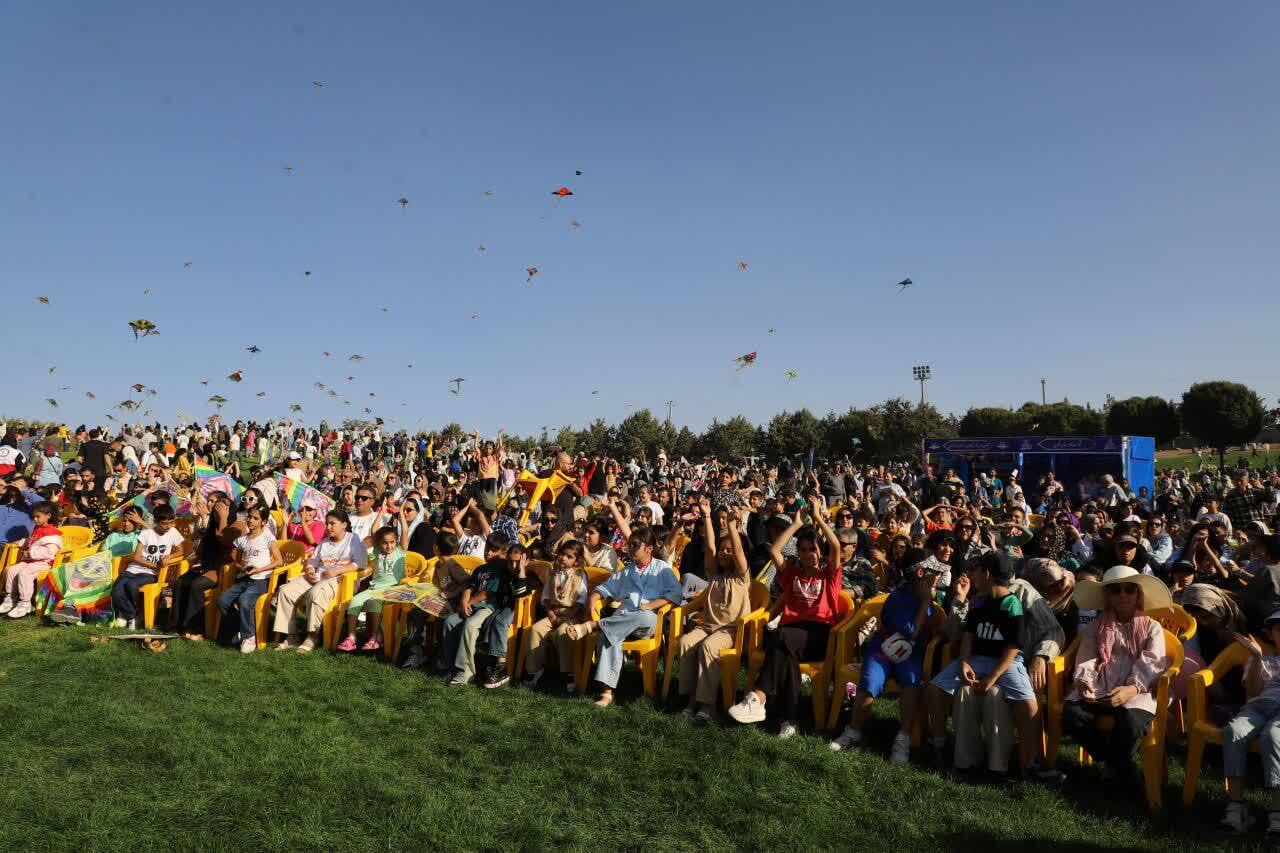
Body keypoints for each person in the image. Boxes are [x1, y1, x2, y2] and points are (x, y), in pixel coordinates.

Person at [926, 551, 1058, 779]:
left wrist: (995, 675)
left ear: (986, 574)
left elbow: (1014, 646)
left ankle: (1031, 760)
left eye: (975, 571)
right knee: (935, 689)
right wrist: (965, 662)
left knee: (1029, 704)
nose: (972, 575)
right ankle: (938, 745)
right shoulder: (979, 601)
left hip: (1006, 662)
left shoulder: (1013, 602)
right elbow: (966, 635)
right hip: (976, 660)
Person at [727, 499, 842, 736]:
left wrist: (818, 517)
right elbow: (775, 550)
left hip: (818, 636)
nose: (809, 554)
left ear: (820, 552)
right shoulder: (792, 574)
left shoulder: (828, 576)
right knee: (784, 654)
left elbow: (837, 546)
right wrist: (796, 523)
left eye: (813, 549)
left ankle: (757, 696)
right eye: (803, 549)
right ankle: (789, 722)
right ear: (798, 553)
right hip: (790, 637)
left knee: (779, 638)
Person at [830, 551, 945, 761]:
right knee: (870, 680)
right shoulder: (898, 598)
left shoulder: (927, 597)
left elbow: (934, 629)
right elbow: (911, 632)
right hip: (883, 648)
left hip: (909, 655)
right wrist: (924, 603)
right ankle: (854, 729)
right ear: (920, 573)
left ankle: (904, 737)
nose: (937, 575)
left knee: (911, 681)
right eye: (934, 572)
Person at [1062, 565, 1171, 786]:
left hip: (1139, 690)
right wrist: (1084, 681)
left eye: (1129, 589)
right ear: (1108, 595)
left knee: (1130, 721)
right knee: (1072, 714)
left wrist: (1131, 689)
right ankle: (1122, 766)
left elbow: (1152, 662)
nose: (1123, 595)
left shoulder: (1152, 627)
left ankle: (1114, 768)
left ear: (1138, 594)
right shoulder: (1097, 626)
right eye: (1116, 590)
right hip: (1102, 685)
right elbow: (1088, 656)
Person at [567, 526, 682, 708]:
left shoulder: (663, 569)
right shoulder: (627, 571)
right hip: (622, 619)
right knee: (609, 634)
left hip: (647, 620)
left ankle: (593, 625)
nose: (630, 548)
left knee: (641, 616)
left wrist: (651, 605)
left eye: (635, 545)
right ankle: (606, 693)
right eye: (630, 544)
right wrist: (595, 596)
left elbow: (676, 595)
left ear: (649, 549)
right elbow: (606, 587)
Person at [675, 500, 752, 722]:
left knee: (709, 647)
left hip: (729, 631)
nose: (724, 553)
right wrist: (707, 517)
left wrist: (732, 527)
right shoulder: (715, 575)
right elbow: (710, 546)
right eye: (723, 550)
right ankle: (692, 699)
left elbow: (738, 551)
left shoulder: (741, 577)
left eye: (729, 551)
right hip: (708, 626)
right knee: (685, 643)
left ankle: (708, 706)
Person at [439, 532, 528, 687]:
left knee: (470, 626)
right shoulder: (481, 568)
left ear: (503, 552)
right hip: (473, 605)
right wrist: (464, 600)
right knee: (449, 622)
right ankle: (450, 666)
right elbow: (470, 585)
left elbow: (488, 592)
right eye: (488, 548)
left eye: (494, 550)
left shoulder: (501, 567)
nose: (489, 552)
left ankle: (465, 672)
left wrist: (470, 602)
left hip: (489, 606)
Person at [1219, 609, 1280, 836]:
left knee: (1274, 735)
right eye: (1278, 628)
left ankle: (1277, 810)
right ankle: (1237, 806)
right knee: (1233, 731)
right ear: (1272, 633)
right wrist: (1255, 657)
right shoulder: (1266, 659)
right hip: (1259, 706)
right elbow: (1253, 694)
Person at [272, 509, 368, 652]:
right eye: (327, 524)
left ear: (344, 524)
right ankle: (292, 635)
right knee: (285, 590)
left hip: (339, 581)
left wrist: (338, 570)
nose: (328, 527)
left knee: (316, 592)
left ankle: (312, 636)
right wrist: (310, 570)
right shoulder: (324, 542)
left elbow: (360, 563)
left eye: (332, 524)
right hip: (317, 577)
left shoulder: (353, 540)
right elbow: (313, 561)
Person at [522, 539, 589, 693]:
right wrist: (550, 613)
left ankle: (568, 672)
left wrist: (569, 615)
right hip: (554, 613)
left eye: (569, 557)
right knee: (535, 630)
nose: (563, 558)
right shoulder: (553, 573)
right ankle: (534, 670)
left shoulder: (580, 574)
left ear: (576, 561)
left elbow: (582, 599)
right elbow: (545, 597)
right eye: (562, 554)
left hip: (572, 614)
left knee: (564, 633)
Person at [216, 505, 282, 653]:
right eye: (249, 517)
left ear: (264, 521)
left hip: (260, 580)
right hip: (244, 578)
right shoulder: (243, 540)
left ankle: (249, 636)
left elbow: (279, 561)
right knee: (222, 600)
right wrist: (240, 566)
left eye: (255, 518)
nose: (250, 520)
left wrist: (260, 569)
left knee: (245, 601)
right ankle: (240, 626)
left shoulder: (268, 537)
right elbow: (235, 557)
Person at [109, 504, 184, 629]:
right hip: (133, 569)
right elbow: (136, 557)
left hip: (151, 574)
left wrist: (168, 557)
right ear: (156, 521)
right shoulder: (146, 533)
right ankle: (132, 615)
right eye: (165, 523)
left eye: (171, 522)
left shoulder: (173, 532)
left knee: (131, 586)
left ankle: (129, 615)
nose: (168, 526)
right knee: (116, 591)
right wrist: (156, 565)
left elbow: (181, 551)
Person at [337, 526, 405, 653]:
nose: (389, 546)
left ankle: (375, 638)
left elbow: (405, 532)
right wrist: (381, 512)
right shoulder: (377, 552)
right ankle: (351, 637)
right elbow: (374, 532)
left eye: (392, 542)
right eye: (385, 543)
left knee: (373, 602)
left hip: (392, 589)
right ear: (379, 543)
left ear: (397, 541)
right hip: (374, 588)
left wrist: (400, 511)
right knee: (355, 600)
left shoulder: (400, 551)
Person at [0, 501, 62, 619]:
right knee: (12, 570)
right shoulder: (38, 529)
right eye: (34, 516)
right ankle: (11, 598)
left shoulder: (52, 534)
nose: (35, 519)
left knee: (25, 574)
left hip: (43, 563)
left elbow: (49, 552)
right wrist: (21, 543)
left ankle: (25, 603)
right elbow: (32, 541)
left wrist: (30, 553)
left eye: (38, 516)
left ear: (48, 516)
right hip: (31, 561)